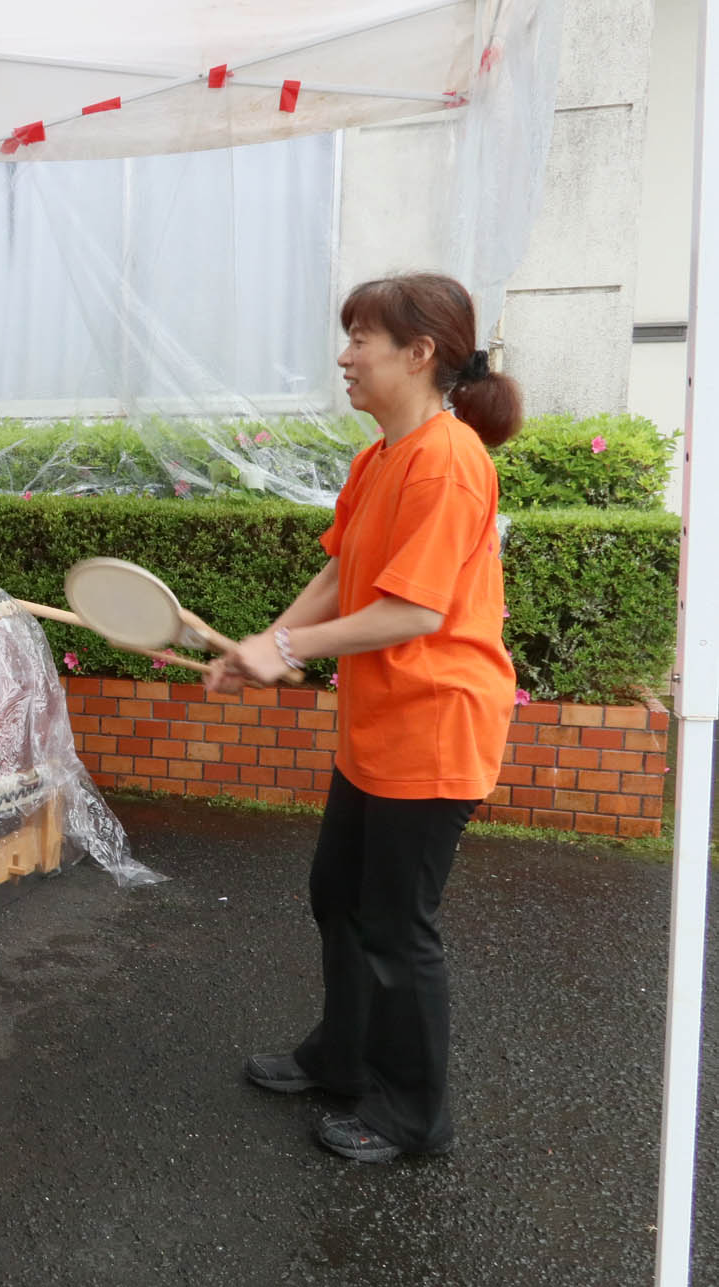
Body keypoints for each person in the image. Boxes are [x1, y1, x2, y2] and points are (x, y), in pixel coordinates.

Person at [211, 273, 520, 1163]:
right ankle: (341, 1057)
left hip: (434, 727)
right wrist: (266, 640)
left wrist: (292, 651)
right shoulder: (378, 456)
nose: (343, 357)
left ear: (419, 353)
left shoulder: (450, 461)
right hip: (378, 728)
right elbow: (345, 573)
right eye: (346, 337)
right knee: (336, 899)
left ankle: (410, 1114)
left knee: (395, 926)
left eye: (360, 339)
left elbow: (414, 612)